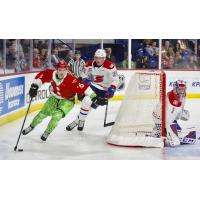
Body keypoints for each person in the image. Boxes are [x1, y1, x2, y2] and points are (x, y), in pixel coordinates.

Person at [22, 60, 100, 141]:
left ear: (66, 70)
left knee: (56, 116)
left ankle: (47, 132)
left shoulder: (71, 79)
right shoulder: (51, 74)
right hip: (54, 97)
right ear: (57, 70)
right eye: (60, 70)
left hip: (67, 101)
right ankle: (31, 126)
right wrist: (35, 86)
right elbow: (42, 76)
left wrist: (94, 96)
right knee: (42, 114)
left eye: (64, 70)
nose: (62, 72)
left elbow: (84, 87)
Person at [66, 49, 119, 131]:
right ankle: (81, 121)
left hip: (104, 89)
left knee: (91, 107)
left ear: (104, 58)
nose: (98, 60)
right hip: (93, 86)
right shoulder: (89, 64)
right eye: (96, 57)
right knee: (87, 101)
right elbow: (83, 74)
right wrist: (85, 79)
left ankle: (78, 121)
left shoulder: (110, 66)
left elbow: (116, 79)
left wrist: (112, 89)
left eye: (100, 58)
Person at [152, 80, 197, 147]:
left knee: (183, 119)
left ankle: (162, 130)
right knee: (175, 141)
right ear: (175, 89)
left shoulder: (180, 95)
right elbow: (168, 121)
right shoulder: (173, 100)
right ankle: (159, 130)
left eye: (183, 89)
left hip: (166, 115)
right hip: (159, 117)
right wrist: (173, 138)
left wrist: (182, 113)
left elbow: (177, 111)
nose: (182, 91)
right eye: (180, 89)